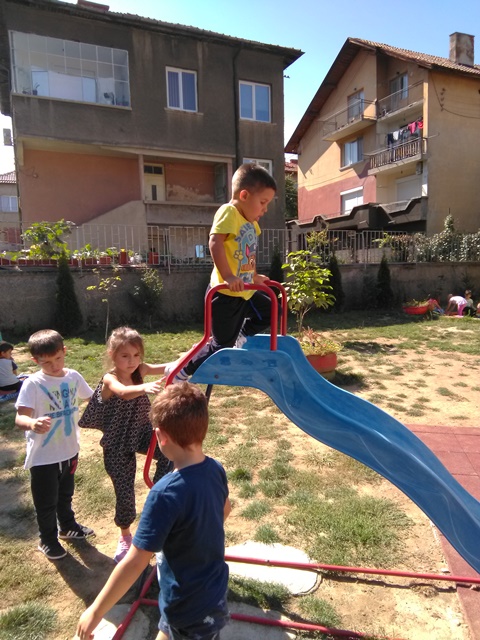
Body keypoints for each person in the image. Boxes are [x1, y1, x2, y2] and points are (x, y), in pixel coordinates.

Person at [75, 382, 231, 640]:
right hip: (212, 587)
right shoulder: (216, 468)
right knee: (167, 629)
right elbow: (225, 510)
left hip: (188, 606)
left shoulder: (165, 493)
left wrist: (96, 610)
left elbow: (136, 561)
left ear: (160, 436)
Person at [167, 163, 278, 382]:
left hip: (245, 291)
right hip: (226, 294)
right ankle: (182, 371)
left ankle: (242, 334)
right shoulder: (229, 212)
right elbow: (215, 242)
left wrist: (254, 276)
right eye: (263, 202)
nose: (265, 209)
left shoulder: (252, 224)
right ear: (244, 195)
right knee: (221, 345)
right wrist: (228, 276)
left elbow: (249, 255)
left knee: (273, 311)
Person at [78, 326, 171, 563]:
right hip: (117, 442)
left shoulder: (141, 369)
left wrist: (194, 353)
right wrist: (144, 387)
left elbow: (169, 367)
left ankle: (159, 492)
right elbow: (123, 392)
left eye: (137, 355)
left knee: (170, 448)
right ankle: (125, 535)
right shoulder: (110, 379)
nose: (132, 361)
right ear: (112, 355)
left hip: (141, 432)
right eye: (125, 356)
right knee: (125, 492)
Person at [15, 329, 95, 560]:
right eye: (46, 362)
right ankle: (47, 540)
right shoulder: (33, 384)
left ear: (64, 351)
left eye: (58, 358)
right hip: (44, 457)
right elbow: (20, 417)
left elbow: (92, 398)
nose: (54, 366)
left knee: (65, 494)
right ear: (35, 361)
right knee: (46, 502)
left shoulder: (73, 377)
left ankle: (67, 527)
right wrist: (32, 423)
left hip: (69, 450)